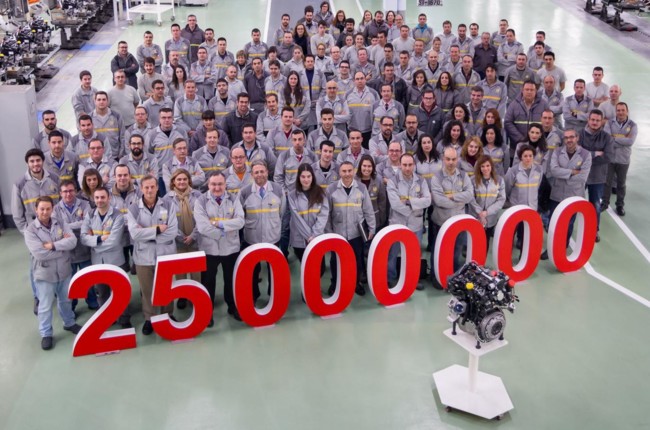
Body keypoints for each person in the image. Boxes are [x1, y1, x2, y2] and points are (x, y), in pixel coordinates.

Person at [24, 196, 81, 350]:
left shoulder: (60, 222)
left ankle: (69, 323)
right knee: (45, 305)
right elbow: (40, 254)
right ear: (36, 210)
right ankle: (46, 334)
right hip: (44, 274)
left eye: (48, 208)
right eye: (42, 209)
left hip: (64, 270)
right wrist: (62, 248)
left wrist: (53, 245)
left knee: (66, 300)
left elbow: (73, 242)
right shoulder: (30, 230)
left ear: (52, 209)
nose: (45, 212)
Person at [127, 175, 178, 335]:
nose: (149, 190)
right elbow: (135, 234)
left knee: (167, 288)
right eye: (146, 187)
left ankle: (168, 314)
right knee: (147, 290)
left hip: (165, 254)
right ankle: (150, 319)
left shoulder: (168, 204)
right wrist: (156, 230)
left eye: (152, 187)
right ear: (141, 189)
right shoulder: (133, 209)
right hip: (143, 256)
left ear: (157, 188)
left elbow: (172, 231)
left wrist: (146, 234)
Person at [194, 172, 244, 323]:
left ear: (225, 184)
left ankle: (233, 306)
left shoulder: (234, 198)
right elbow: (202, 227)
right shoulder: (201, 201)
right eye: (213, 184)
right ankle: (207, 311)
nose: (217, 188)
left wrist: (218, 224)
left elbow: (240, 221)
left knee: (231, 279)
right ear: (208, 185)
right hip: (209, 249)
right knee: (208, 281)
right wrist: (223, 232)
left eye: (220, 184)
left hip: (230, 248)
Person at [80, 186, 130, 327]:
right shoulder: (90, 215)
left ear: (109, 198)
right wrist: (99, 239)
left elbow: (114, 241)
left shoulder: (117, 215)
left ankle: (124, 318)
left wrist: (93, 242)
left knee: (119, 292)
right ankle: (107, 318)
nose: (100, 200)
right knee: (102, 292)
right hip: (97, 262)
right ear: (93, 199)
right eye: (97, 197)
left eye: (103, 197)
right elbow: (83, 238)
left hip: (115, 260)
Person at [326, 161, 376, 296]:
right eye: (344, 171)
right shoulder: (331, 189)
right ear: (339, 172)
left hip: (356, 234)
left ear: (353, 171)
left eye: (349, 171)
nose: (347, 174)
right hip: (338, 233)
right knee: (335, 261)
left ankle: (356, 283)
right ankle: (335, 283)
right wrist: (329, 233)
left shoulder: (361, 188)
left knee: (357, 260)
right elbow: (327, 213)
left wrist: (372, 228)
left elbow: (368, 210)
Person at [541, 129, 592, 260]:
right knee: (553, 222)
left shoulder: (586, 155)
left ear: (577, 138)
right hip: (557, 194)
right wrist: (572, 172)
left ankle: (562, 248)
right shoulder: (557, 152)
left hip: (574, 196)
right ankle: (551, 248)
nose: (569, 140)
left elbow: (582, 177)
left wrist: (563, 174)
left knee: (569, 224)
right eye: (566, 138)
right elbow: (554, 171)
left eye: (572, 137)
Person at [239, 160, 285, 302]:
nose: (259, 174)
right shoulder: (245, 192)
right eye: (256, 172)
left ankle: (274, 295)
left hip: (273, 237)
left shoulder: (278, 190)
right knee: (253, 270)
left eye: (262, 171)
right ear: (252, 174)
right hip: (252, 238)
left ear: (267, 172)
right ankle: (254, 295)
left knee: (274, 269)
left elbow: (282, 213)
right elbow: (241, 215)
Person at [386, 153, 431, 287]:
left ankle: (412, 279)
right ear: (400, 165)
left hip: (415, 224)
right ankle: (390, 277)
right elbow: (395, 204)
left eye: (410, 165)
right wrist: (415, 204)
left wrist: (409, 201)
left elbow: (427, 201)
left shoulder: (421, 181)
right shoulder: (392, 181)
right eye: (404, 165)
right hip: (397, 223)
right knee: (393, 253)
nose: (407, 168)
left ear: (414, 165)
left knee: (414, 254)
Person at [429, 146, 473, 281]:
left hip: (458, 223)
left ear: (457, 159)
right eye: (448, 159)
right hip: (440, 221)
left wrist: (453, 196)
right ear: (443, 159)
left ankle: (454, 277)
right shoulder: (436, 178)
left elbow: (470, 195)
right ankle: (436, 276)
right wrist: (460, 201)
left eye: (453, 159)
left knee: (457, 250)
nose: (451, 162)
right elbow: (439, 200)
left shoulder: (464, 176)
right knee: (439, 251)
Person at [163, 169, 202, 310]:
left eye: (185, 179)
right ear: (173, 181)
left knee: (196, 272)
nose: (182, 182)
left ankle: (196, 296)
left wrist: (193, 236)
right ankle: (182, 296)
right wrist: (180, 236)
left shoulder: (198, 196)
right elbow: (167, 221)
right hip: (177, 241)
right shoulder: (166, 199)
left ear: (189, 181)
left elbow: (202, 218)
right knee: (180, 271)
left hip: (196, 239)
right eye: (178, 179)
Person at [54, 180, 95, 311]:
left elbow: (88, 222)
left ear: (76, 191)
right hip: (67, 253)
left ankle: (93, 302)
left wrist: (66, 227)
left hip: (84, 249)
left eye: (71, 190)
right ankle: (71, 306)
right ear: (60, 193)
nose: (68, 194)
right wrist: (78, 225)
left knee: (88, 278)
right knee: (69, 282)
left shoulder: (85, 204)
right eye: (65, 191)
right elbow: (56, 228)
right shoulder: (55, 209)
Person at [579, 109, 614, 241]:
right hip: (580, 175)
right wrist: (595, 154)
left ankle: (594, 230)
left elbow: (608, 157)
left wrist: (586, 157)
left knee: (595, 205)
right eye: (592, 119)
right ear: (588, 120)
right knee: (574, 203)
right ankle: (568, 227)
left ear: (601, 122)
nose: (594, 122)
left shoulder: (607, 137)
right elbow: (577, 153)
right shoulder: (579, 134)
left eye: (597, 120)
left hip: (598, 177)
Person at [288, 163, 329, 265]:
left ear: (312, 177)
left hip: (317, 237)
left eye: (308, 176)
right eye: (303, 177)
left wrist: (315, 235)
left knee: (320, 267)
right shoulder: (292, 195)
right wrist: (309, 236)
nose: (306, 180)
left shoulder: (321, 192)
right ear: (298, 178)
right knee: (306, 266)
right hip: (299, 239)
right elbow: (297, 218)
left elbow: (323, 215)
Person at [505, 144, 543, 249]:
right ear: (520, 157)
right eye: (525, 156)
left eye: (530, 156)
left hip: (532, 207)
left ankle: (521, 243)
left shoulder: (539, 170)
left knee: (526, 230)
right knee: (513, 227)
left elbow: (538, 186)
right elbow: (507, 187)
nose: (528, 158)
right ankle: (507, 246)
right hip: (516, 206)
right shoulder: (513, 171)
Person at [603, 102, 637, 216]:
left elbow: (630, 141)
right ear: (616, 111)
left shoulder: (633, 125)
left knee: (621, 184)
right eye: (618, 110)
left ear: (627, 111)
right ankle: (605, 203)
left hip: (623, 159)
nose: (621, 112)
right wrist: (623, 138)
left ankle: (620, 205)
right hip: (610, 158)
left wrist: (614, 137)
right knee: (607, 183)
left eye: (623, 110)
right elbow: (607, 139)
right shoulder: (609, 123)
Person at [469, 155, 506, 252]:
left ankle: (482, 260)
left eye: (488, 166)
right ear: (479, 167)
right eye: (482, 166)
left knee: (486, 242)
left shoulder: (499, 180)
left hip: (490, 218)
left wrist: (487, 212)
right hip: (475, 216)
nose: (485, 169)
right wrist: (480, 213)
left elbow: (501, 199)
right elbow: (471, 198)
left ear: (491, 166)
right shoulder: (472, 180)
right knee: (473, 242)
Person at [109, 164, 140, 274]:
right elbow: (109, 216)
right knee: (121, 270)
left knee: (138, 269)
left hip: (136, 236)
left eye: (125, 175)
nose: (122, 178)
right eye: (119, 175)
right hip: (118, 237)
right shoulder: (108, 194)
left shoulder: (139, 191)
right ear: (114, 177)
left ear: (130, 176)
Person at [504, 80, 548, 150]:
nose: (529, 92)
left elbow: (548, 123)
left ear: (536, 91)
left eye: (532, 90)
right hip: (517, 146)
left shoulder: (543, 104)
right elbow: (508, 122)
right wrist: (521, 139)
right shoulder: (513, 105)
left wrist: (538, 138)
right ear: (522, 90)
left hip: (538, 147)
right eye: (527, 89)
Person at [91, 91, 124, 160]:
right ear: (95, 101)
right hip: (97, 158)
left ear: (107, 101)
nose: (101, 102)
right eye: (99, 100)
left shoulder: (117, 116)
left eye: (104, 99)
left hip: (114, 156)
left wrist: (121, 154)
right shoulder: (90, 118)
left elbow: (122, 136)